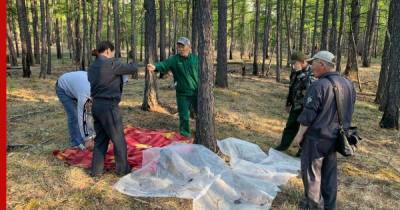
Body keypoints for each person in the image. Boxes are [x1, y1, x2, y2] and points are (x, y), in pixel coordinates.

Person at [292, 51, 356, 210]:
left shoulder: (318, 85)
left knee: (312, 176)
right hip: (335, 138)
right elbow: (349, 110)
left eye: (313, 63)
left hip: (316, 139)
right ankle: (330, 206)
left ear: (322, 64)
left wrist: (299, 136)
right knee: (329, 176)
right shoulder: (348, 84)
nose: (311, 66)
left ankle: (313, 206)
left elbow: (308, 115)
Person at [87, 41, 139, 176]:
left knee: (100, 140)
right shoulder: (111, 64)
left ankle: (96, 171)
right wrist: (133, 61)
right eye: (113, 52)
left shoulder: (92, 67)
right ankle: (123, 170)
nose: (113, 55)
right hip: (109, 107)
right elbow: (132, 69)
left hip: (96, 106)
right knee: (118, 140)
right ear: (108, 51)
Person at [147, 37, 199, 137]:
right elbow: (164, 64)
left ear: (189, 47)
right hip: (182, 94)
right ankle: (185, 135)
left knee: (199, 114)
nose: (180, 49)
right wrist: (155, 67)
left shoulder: (196, 59)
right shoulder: (175, 59)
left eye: (182, 46)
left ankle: (201, 133)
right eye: (179, 47)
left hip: (196, 92)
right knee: (184, 116)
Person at [275, 51, 315, 156]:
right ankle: (283, 145)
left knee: (306, 130)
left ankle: (302, 151)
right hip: (296, 106)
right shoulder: (294, 72)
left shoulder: (313, 74)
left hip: (307, 108)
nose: (293, 65)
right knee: (290, 126)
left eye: (294, 63)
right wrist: (289, 103)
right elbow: (291, 88)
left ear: (302, 62)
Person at [55, 71, 95, 150]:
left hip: (76, 85)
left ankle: (90, 135)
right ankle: (76, 142)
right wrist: (87, 139)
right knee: (74, 115)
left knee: (90, 113)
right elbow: (82, 116)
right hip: (62, 87)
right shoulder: (85, 94)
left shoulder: (100, 88)